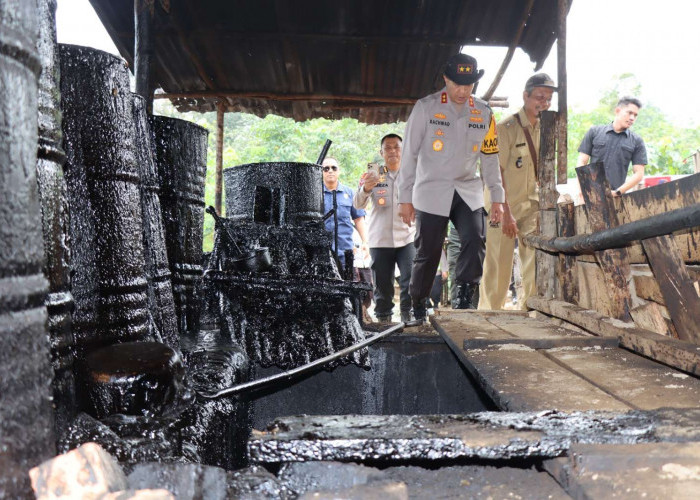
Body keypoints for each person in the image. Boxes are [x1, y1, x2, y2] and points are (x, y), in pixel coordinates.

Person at [398, 53, 505, 325]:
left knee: (474, 238)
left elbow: (490, 158)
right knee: (429, 251)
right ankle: (418, 304)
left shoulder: (484, 112)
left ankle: (464, 301)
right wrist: (404, 198)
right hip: (431, 190)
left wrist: (497, 198)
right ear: (446, 79)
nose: (462, 90)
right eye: (457, 83)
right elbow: (408, 155)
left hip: (467, 190)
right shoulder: (426, 108)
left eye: (468, 85)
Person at [479, 73, 557, 310]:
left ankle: (529, 311)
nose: (543, 103)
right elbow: (495, 172)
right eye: (539, 97)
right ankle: (490, 315)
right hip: (501, 208)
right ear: (525, 96)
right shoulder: (506, 128)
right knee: (498, 264)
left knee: (535, 261)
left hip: (531, 206)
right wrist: (506, 212)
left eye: (548, 99)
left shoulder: (547, 129)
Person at [354, 134, 416, 324]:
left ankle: (408, 316)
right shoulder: (373, 174)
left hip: (408, 237)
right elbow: (357, 204)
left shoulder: (413, 174)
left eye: (396, 147)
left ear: (403, 150)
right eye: (387, 148)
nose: (392, 151)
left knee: (410, 279)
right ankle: (384, 321)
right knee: (382, 284)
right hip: (380, 239)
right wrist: (365, 189)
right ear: (381, 152)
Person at [577, 96, 647, 197]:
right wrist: (582, 190)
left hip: (616, 197)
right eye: (629, 113)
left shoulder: (637, 141)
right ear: (618, 111)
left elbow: (639, 174)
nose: (632, 118)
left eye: (635, 115)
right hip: (591, 195)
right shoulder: (594, 132)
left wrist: (618, 192)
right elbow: (582, 161)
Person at [322, 157, 368, 276]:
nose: (330, 171)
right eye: (326, 169)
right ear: (321, 172)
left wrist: (365, 242)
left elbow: (358, 218)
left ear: (339, 171)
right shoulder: (315, 194)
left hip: (345, 251)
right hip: (322, 253)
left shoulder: (350, 193)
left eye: (333, 168)